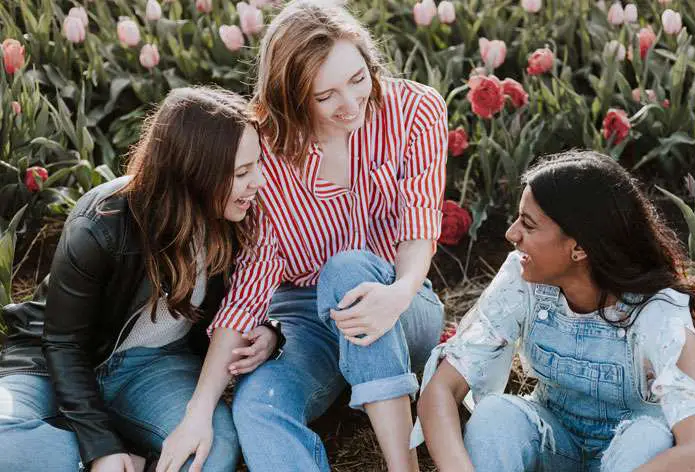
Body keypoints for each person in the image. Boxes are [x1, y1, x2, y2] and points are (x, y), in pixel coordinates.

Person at [203, 1, 447, 470]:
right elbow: (255, 277)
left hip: (400, 302)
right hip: (306, 319)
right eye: (325, 95)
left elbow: (419, 226)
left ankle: (403, 465)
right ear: (291, 97)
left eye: (358, 79)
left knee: (348, 268)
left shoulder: (416, 110)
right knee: (258, 406)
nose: (351, 104)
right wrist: (201, 405)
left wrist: (398, 292)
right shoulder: (266, 148)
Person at [0, 87, 273, 472]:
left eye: (256, 165)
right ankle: (122, 461)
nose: (257, 181)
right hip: (49, 362)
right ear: (194, 174)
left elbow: (259, 293)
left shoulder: (239, 219)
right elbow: (62, 345)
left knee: (213, 451)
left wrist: (270, 331)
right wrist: (98, 450)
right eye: (242, 172)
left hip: (153, 367)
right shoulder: (101, 224)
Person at [416, 150, 695, 472]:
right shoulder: (524, 281)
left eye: (528, 224)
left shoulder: (658, 314)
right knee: (496, 415)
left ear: (580, 247)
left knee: (647, 436)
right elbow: (442, 389)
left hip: (632, 461)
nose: (511, 234)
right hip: (555, 444)